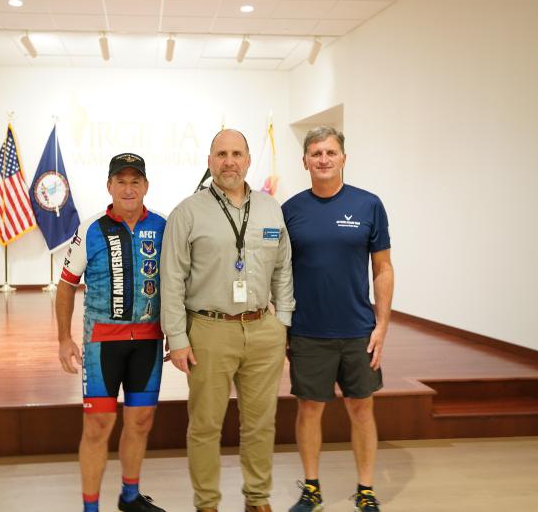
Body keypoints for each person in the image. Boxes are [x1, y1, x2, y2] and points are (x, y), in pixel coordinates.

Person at [160, 129, 295, 512]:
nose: (229, 161)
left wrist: (281, 321)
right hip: (208, 330)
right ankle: (207, 504)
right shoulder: (188, 211)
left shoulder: (271, 208)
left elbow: (283, 267)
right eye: (221, 154)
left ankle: (258, 499)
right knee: (205, 426)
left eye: (237, 153)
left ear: (249, 159)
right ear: (209, 161)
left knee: (261, 423)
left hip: (262, 329)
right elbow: (171, 278)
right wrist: (178, 337)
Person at [282, 127, 394, 512]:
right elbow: (281, 273)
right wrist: (282, 328)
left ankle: (366, 489)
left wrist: (381, 326)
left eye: (330, 152)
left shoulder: (369, 205)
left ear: (343, 158)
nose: (323, 159)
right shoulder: (291, 210)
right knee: (309, 409)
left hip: (358, 331)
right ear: (305, 161)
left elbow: (383, 269)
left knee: (361, 408)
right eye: (316, 153)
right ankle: (311, 488)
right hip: (308, 330)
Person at [56, 153, 167, 512]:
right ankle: (91, 508)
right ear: (109, 186)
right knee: (97, 426)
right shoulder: (90, 228)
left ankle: (130, 497)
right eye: (121, 181)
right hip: (101, 344)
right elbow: (65, 285)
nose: (129, 188)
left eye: (136, 181)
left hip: (148, 343)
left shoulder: (164, 227)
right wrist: (64, 339)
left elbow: (180, 283)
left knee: (141, 420)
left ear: (146, 186)